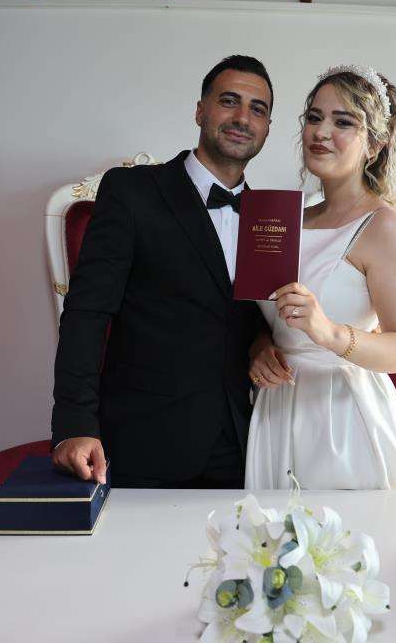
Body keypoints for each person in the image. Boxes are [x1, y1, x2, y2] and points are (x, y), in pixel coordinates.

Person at [50, 55, 273, 488]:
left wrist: (261, 342)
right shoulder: (132, 191)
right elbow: (87, 312)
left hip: (242, 446)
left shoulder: (270, 218)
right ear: (200, 111)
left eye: (257, 109)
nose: (242, 118)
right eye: (229, 101)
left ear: (266, 128)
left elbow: (256, 317)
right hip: (143, 440)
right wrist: (74, 424)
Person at [245, 65, 396, 490]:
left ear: (375, 144)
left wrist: (327, 332)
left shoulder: (385, 226)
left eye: (343, 122)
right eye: (314, 117)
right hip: (276, 409)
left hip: (344, 420)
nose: (321, 132)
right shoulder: (282, 220)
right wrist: (259, 347)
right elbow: (262, 319)